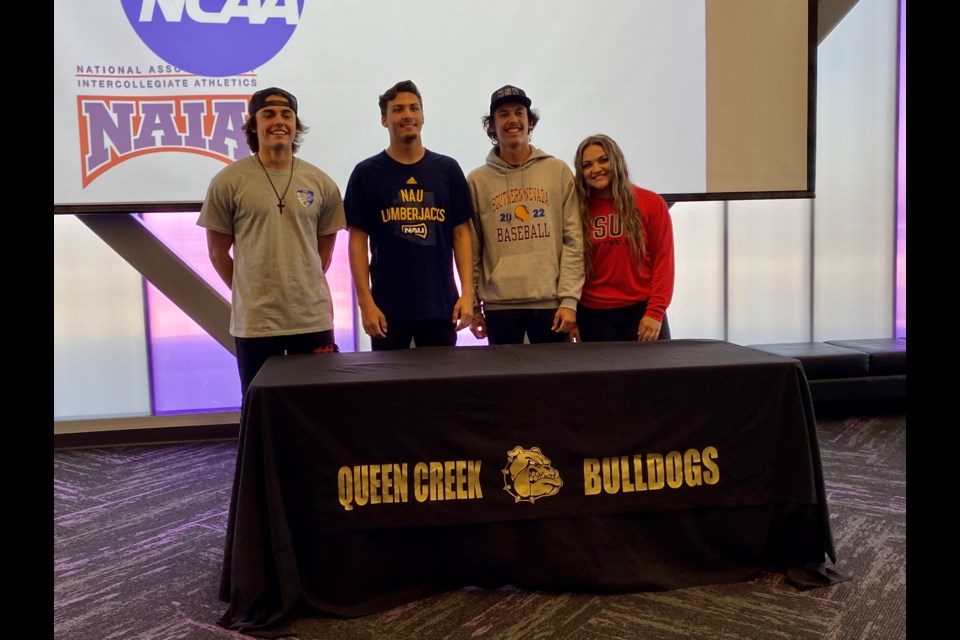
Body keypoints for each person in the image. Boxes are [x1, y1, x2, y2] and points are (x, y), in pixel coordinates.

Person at [197, 86, 346, 400]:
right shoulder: (228, 181)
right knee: (259, 407)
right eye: (269, 114)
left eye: (286, 114)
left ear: (295, 124)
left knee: (317, 408)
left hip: (312, 319)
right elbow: (217, 252)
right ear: (253, 124)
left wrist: (302, 285)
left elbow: (323, 253)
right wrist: (249, 293)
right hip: (257, 325)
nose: (279, 121)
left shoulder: (321, 183)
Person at [344, 80, 475, 350]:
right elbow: (357, 242)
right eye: (398, 109)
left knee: (440, 390)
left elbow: (461, 235)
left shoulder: (448, 170)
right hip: (387, 311)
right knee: (390, 392)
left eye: (414, 108)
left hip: (441, 306)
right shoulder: (366, 173)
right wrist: (365, 303)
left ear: (423, 117)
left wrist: (468, 293)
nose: (408, 115)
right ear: (384, 120)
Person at [467, 85, 584, 345]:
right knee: (505, 384)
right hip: (499, 307)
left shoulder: (558, 171)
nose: (512, 120)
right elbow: (472, 250)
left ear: (529, 122)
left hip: (551, 304)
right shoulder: (477, 181)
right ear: (492, 126)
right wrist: (475, 309)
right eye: (503, 114)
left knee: (554, 383)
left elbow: (573, 241)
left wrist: (569, 300)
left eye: (519, 113)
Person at [570, 134, 675, 342]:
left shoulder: (651, 203)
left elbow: (663, 262)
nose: (596, 169)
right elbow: (569, 265)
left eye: (603, 160)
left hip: (641, 313)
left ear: (616, 160)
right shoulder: (575, 209)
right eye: (587, 165)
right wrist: (572, 319)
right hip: (592, 316)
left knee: (654, 375)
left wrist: (655, 312)